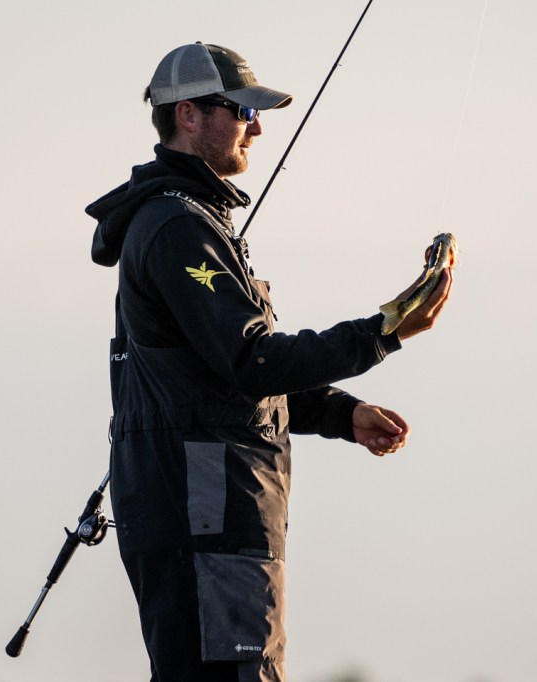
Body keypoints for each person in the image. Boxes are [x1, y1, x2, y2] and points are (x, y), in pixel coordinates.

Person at [86, 42, 453, 682]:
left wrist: (341, 413)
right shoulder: (177, 228)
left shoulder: (187, 221)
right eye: (243, 111)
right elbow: (253, 360)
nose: (256, 128)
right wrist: (384, 331)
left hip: (211, 499)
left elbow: (219, 375)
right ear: (189, 114)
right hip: (210, 503)